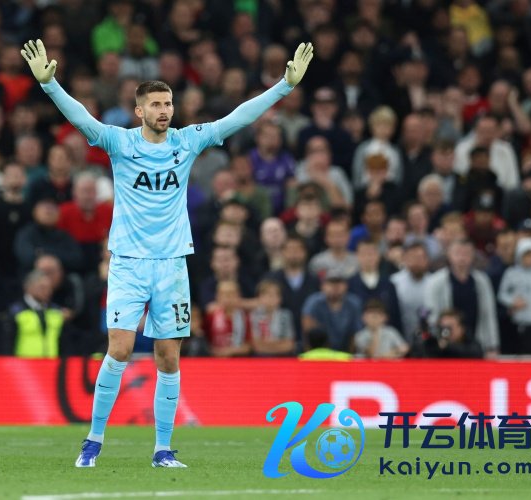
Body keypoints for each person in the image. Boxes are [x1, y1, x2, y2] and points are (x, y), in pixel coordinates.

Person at [21, 37, 314, 467]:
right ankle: (93, 441)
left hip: (173, 265)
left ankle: (162, 449)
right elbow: (82, 119)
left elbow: (237, 117)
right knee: (120, 348)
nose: (165, 110)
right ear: (140, 111)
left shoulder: (186, 142)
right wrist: (50, 85)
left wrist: (284, 86)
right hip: (128, 262)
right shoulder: (120, 143)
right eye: (156, 104)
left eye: (168, 103)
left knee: (168, 356)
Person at [424, 239, 500, 358]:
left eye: (466, 253)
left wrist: (492, 345)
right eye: (457, 253)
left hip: (475, 342)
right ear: (449, 254)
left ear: (473, 255)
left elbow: (488, 315)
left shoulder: (482, 281)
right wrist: (438, 342)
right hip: (446, 344)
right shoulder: (435, 282)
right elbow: (432, 316)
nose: (462, 258)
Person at [497, 238, 531, 354]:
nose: (530, 259)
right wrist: (512, 302)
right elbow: (501, 294)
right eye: (526, 256)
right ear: (519, 256)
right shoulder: (511, 272)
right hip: (518, 320)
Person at [204, 280, 251, 358]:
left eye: (232, 294)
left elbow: (249, 346)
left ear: (238, 296)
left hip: (239, 360)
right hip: (215, 359)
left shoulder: (244, 317)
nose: (228, 297)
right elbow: (205, 342)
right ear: (217, 296)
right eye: (224, 294)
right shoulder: (211, 316)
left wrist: (230, 351)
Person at [249, 279, 296, 356]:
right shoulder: (254, 316)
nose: (270, 298)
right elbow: (256, 346)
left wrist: (267, 345)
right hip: (261, 357)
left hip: (283, 356)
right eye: (267, 294)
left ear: (280, 298)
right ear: (259, 297)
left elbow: (289, 345)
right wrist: (278, 344)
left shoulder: (286, 315)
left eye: (274, 295)